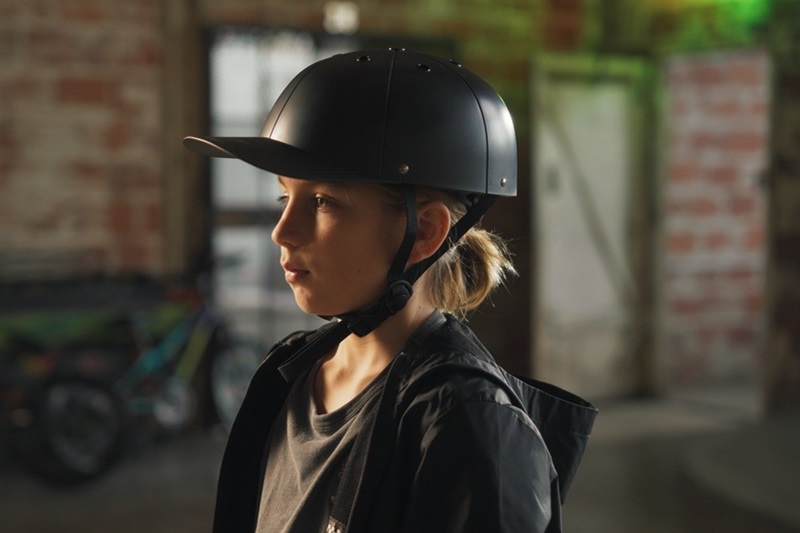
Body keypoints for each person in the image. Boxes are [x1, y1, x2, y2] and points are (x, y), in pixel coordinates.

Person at [184, 48, 597, 533]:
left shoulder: (469, 425)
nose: (282, 231)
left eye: (322, 201)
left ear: (424, 232)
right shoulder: (288, 373)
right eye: (284, 196)